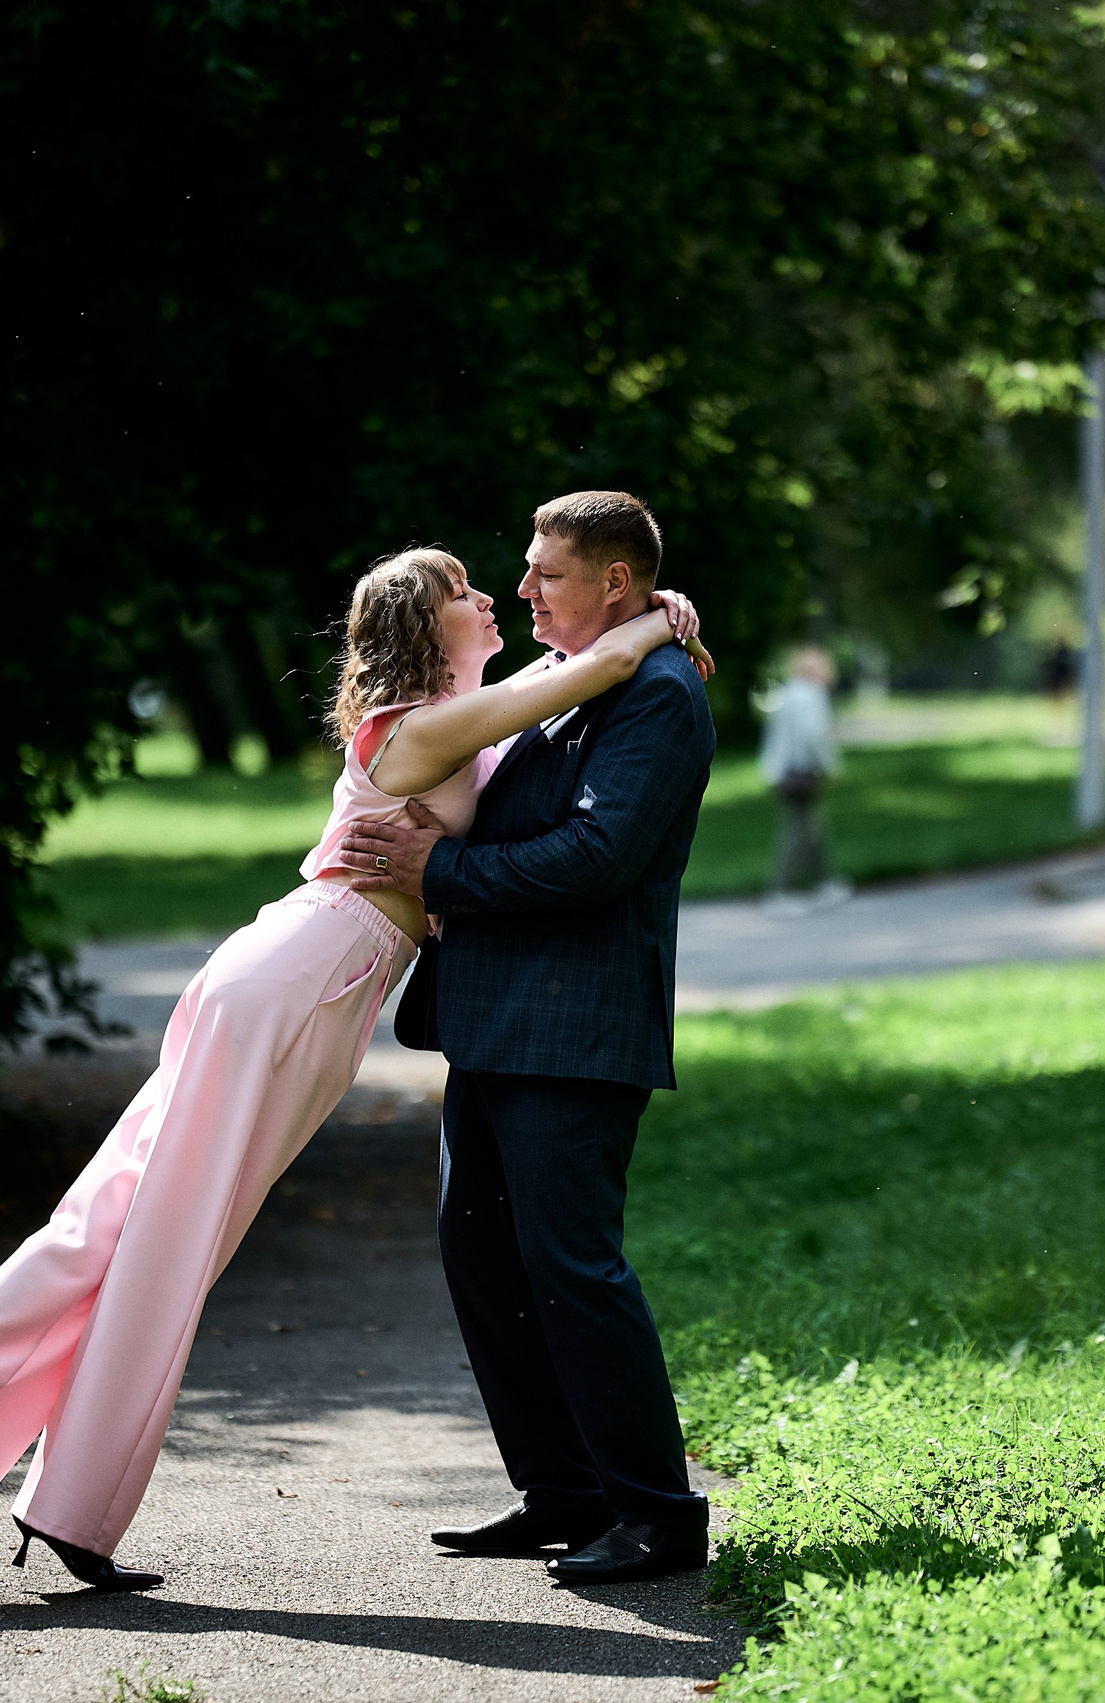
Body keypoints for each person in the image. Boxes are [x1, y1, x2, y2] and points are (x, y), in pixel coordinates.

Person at [0, 545, 710, 1592]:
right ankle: (51, 1493)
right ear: (426, 625)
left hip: (298, 978)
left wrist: (646, 611)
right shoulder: (420, 726)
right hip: (299, 982)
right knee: (168, 1232)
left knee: (122, 1213)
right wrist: (661, 613)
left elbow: (561, 688)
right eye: (467, 590)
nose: (495, 597)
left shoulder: (454, 713)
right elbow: (590, 669)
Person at [339, 490, 717, 1586]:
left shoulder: (659, 693)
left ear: (615, 581)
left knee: (572, 1264)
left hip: (577, 1026)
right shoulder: (568, 676)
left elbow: (597, 857)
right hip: (495, 1020)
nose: (523, 589)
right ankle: (563, 1492)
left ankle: (659, 1513)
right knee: (482, 1254)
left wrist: (438, 870)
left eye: (547, 573)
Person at [756, 644, 845, 911]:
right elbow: (813, 736)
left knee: (811, 828)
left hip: (783, 772)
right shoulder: (812, 695)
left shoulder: (789, 692)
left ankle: (823, 882)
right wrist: (830, 766)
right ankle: (779, 892)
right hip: (800, 772)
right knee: (798, 832)